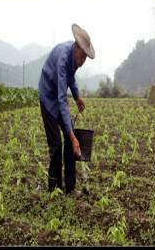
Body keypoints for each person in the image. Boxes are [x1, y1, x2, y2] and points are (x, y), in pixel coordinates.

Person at [38, 24, 95, 197]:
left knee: (71, 142)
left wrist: (77, 96)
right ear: (76, 47)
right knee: (57, 145)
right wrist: (71, 134)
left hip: (58, 95)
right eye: (83, 56)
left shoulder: (74, 58)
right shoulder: (64, 58)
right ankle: (53, 189)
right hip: (48, 97)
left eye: (86, 58)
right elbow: (62, 100)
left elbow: (71, 79)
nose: (83, 61)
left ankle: (70, 189)